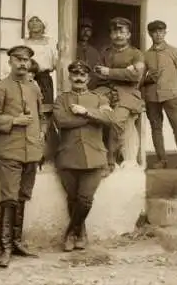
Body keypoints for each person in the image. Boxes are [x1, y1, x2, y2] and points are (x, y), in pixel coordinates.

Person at [0, 45, 44, 268]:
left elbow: (40, 116)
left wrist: (40, 139)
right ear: (9, 61)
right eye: (18, 59)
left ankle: (17, 243)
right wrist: (13, 121)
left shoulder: (34, 88)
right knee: (9, 198)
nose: (23, 63)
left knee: (23, 196)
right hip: (9, 150)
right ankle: (5, 247)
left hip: (31, 151)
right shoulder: (0, 88)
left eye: (26, 59)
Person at [53, 60, 115, 252]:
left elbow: (109, 118)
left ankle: (71, 232)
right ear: (70, 77)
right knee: (73, 199)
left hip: (94, 156)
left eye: (83, 75)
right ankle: (81, 234)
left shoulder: (99, 99)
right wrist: (89, 120)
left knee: (85, 198)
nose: (79, 78)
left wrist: (86, 111)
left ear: (88, 78)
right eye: (75, 74)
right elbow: (61, 121)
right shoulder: (61, 99)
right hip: (68, 155)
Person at [92, 17, 145, 175]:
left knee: (116, 121)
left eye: (122, 31)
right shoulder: (106, 52)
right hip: (106, 90)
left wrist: (110, 72)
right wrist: (124, 72)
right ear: (111, 35)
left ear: (128, 34)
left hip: (128, 94)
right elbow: (98, 73)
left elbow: (136, 76)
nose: (118, 35)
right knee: (87, 110)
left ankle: (109, 162)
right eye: (115, 31)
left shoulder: (136, 54)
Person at [142, 20, 177, 169]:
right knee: (156, 128)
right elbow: (139, 79)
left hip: (173, 97)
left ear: (165, 33)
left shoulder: (175, 52)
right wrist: (147, 79)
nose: (159, 34)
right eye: (155, 32)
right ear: (150, 34)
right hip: (152, 97)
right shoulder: (145, 55)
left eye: (162, 31)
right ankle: (162, 160)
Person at [22, 15, 58, 104]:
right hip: (26, 78)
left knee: (45, 106)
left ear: (43, 25)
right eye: (31, 20)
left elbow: (56, 63)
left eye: (37, 20)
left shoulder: (51, 43)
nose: (34, 23)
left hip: (44, 80)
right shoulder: (22, 42)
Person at [76, 17, 101, 90]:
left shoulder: (94, 52)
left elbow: (97, 72)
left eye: (88, 30)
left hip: (91, 89)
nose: (86, 32)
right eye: (83, 29)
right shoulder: (72, 49)